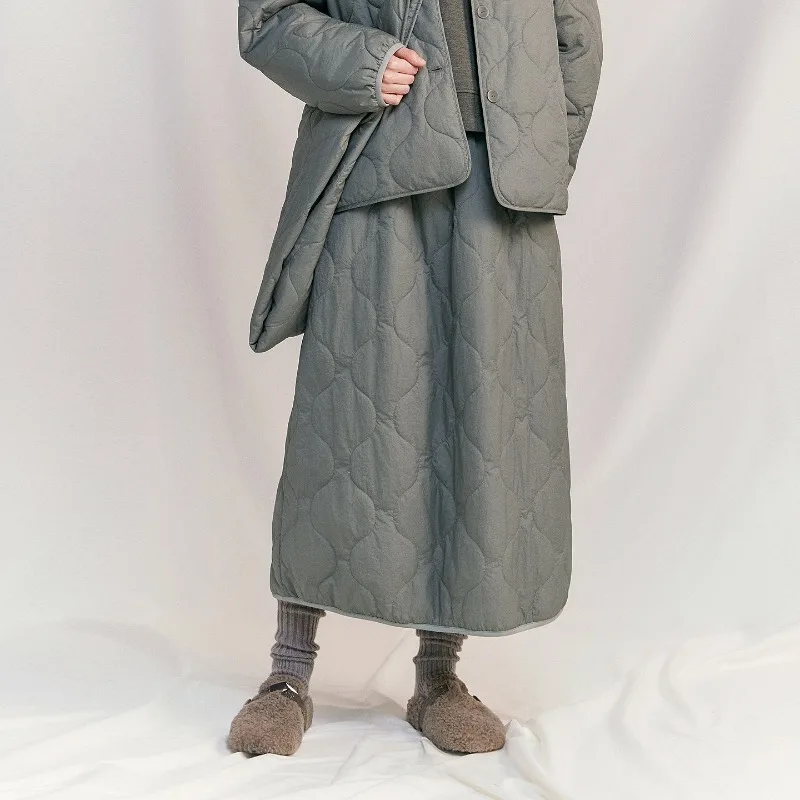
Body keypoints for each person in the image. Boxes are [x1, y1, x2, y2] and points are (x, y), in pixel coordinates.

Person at [228, 0, 602, 757]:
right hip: (377, 163)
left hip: (504, 191)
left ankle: (438, 677)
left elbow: (576, 37)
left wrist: (542, 153)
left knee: (481, 428)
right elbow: (267, 19)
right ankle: (287, 675)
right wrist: (360, 63)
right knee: (342, 424)